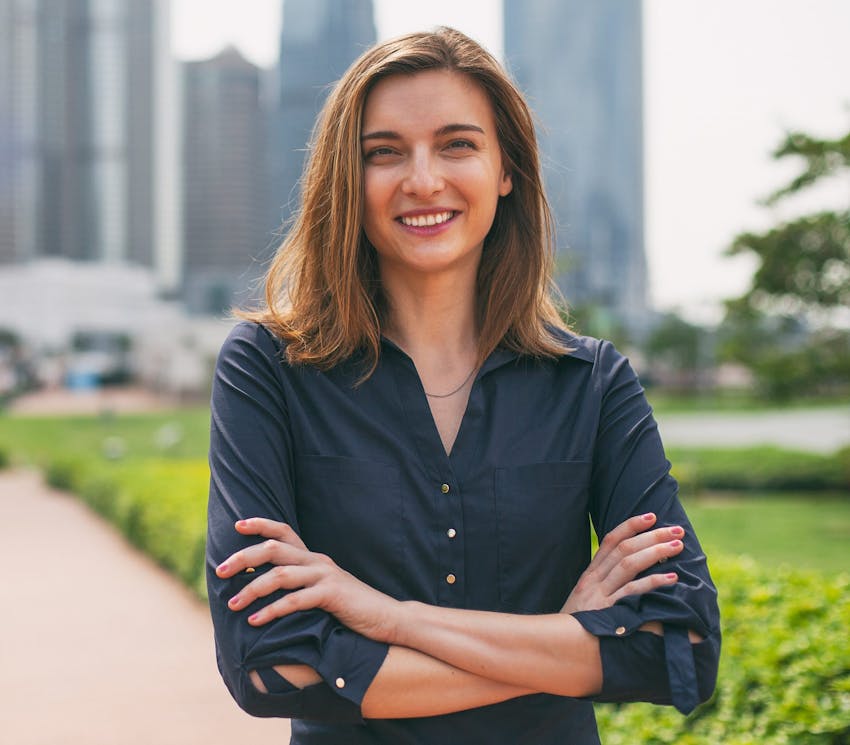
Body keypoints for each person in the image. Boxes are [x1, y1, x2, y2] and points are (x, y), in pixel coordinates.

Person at [206, 27, 720, 744]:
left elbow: (681, 645)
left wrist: (383, 616)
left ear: (506, 168)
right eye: (383, 152)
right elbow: (270, 668)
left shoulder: (593, 384)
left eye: (457, 144)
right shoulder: (268, 367)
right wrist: (566, 642)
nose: (422, 179)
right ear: (345, 181)